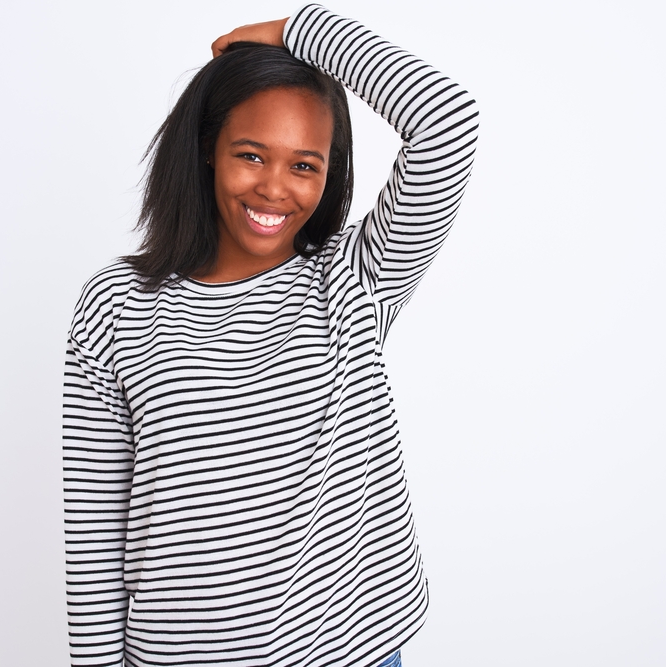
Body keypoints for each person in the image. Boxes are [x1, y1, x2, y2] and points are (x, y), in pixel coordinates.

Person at [62, 4, 479, 666]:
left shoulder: (354, 276)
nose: (275, 189)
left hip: (349, 650)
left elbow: (448, 121)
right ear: (207, 148)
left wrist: (301, 32)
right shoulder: (117, 304)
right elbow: (94, 522)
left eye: (304, 165)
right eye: (251, 155)